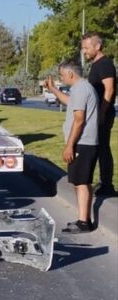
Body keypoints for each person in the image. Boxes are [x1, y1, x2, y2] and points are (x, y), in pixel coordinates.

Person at [45, 61, 99, 233]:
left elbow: (79, 119)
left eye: (61, 75)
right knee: (79, 181)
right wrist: (53, 89)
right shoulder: (80, 88)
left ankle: (84, 222)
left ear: (70, 74)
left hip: (82, 143)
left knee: (81, 182)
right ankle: (83, 219)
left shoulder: (81, 88)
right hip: (82, 143)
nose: (61, 78)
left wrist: (69, 146)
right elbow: (69, 102)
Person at [81, 32, 116, 196]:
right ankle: (102, 182)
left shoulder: (105, 64)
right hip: (96, 114)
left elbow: (109, 90)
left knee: (102, 148)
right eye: (83, 48)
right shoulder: (96, 64)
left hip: (103, 114)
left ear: (98, 46)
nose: (84, 51)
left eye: (86, 48)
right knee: (98, 147)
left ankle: (107, 185)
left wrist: (102, 113)